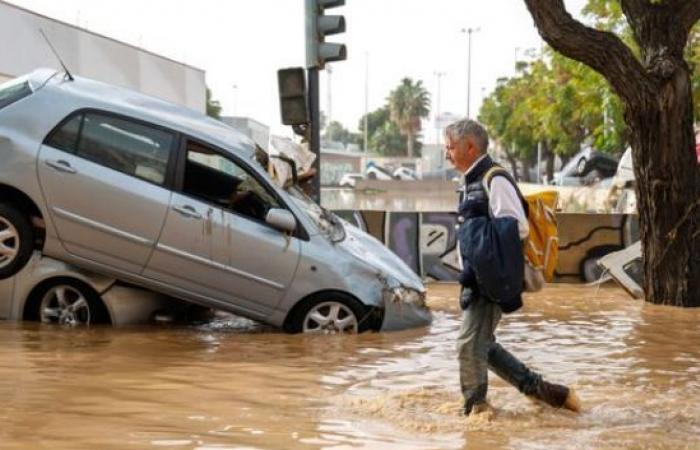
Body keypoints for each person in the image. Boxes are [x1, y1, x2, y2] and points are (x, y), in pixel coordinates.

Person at [444, 118, 580, 416]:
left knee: (468, 345)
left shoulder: (495, 178)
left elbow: (515, 227)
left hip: (488, 279)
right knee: (483, 345)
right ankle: (547, 393)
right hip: (477, 277)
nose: (446, 153)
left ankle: (475, 411)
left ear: (470, 146)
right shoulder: (472, 181)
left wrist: (479, 258)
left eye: (450, 147)